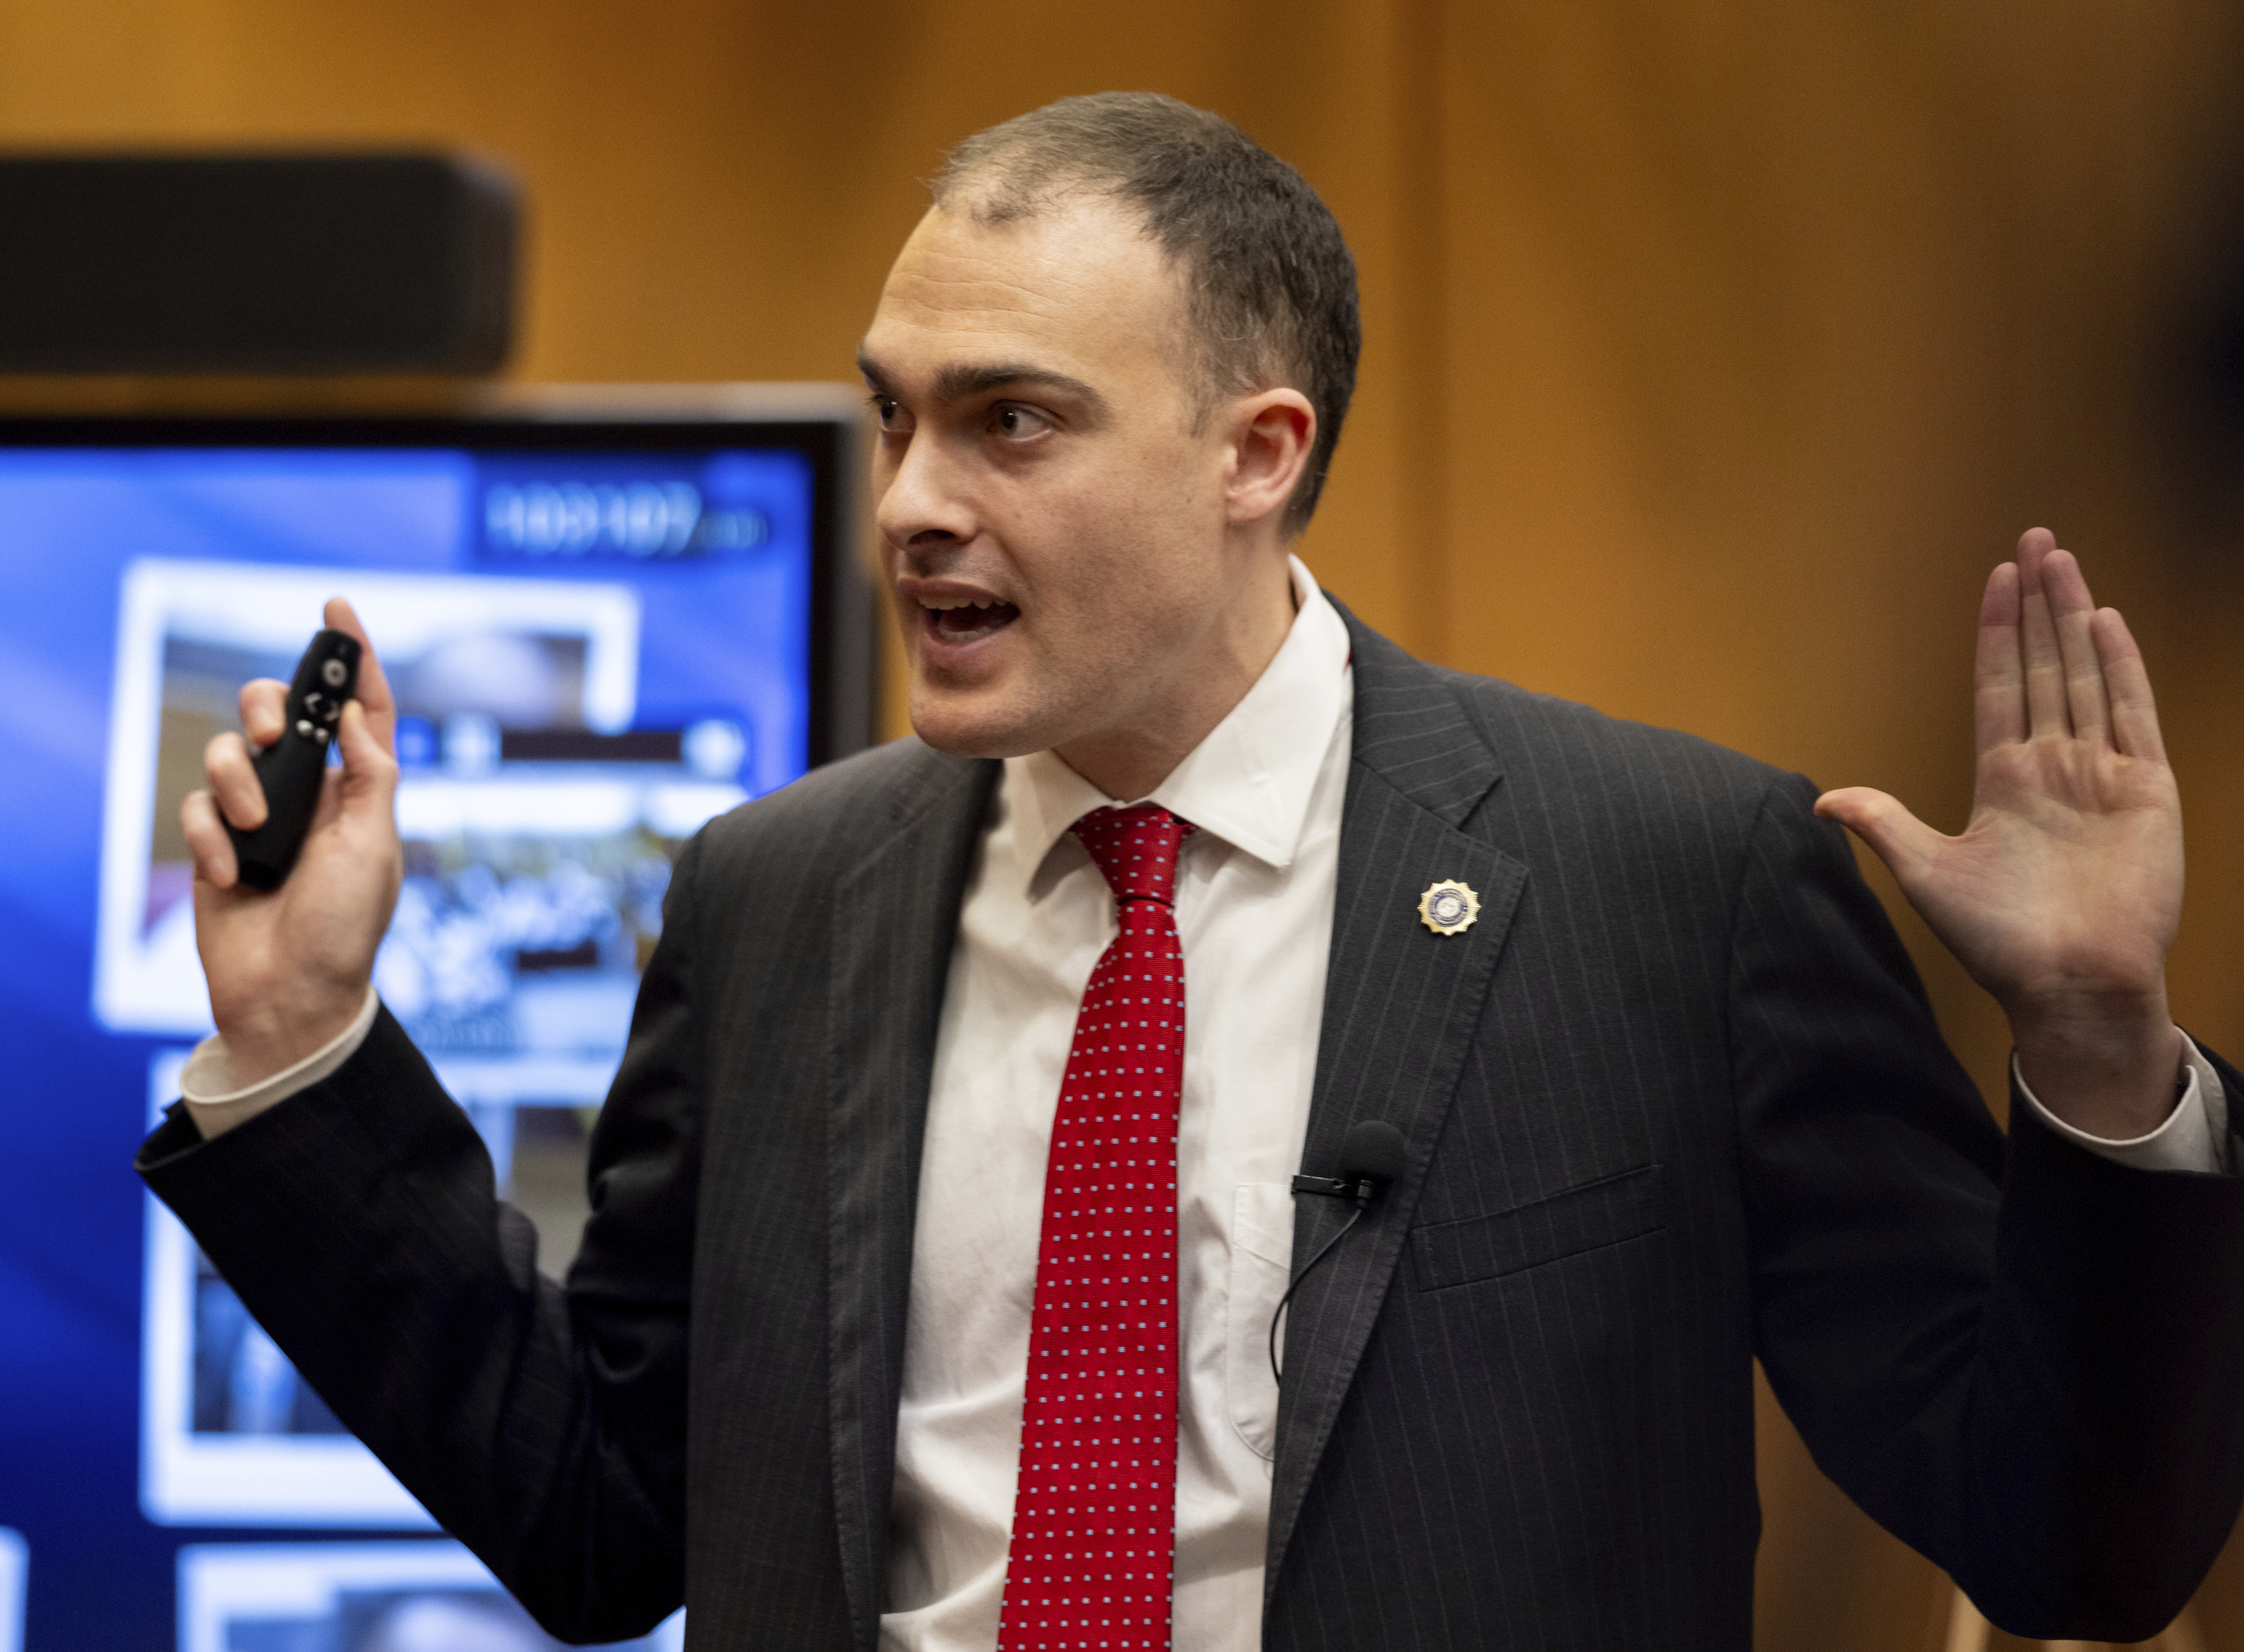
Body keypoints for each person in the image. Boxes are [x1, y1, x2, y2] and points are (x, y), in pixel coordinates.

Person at [140, 93, 2244, 1651]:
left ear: (1260, 449)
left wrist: (2091, 1055)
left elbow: (2067, 1540)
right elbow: (601, 1520)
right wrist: (306, 1037)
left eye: (1011, 424)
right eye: (893, 424)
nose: (911, 507)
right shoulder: (774, 899)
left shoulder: (1666, 884)